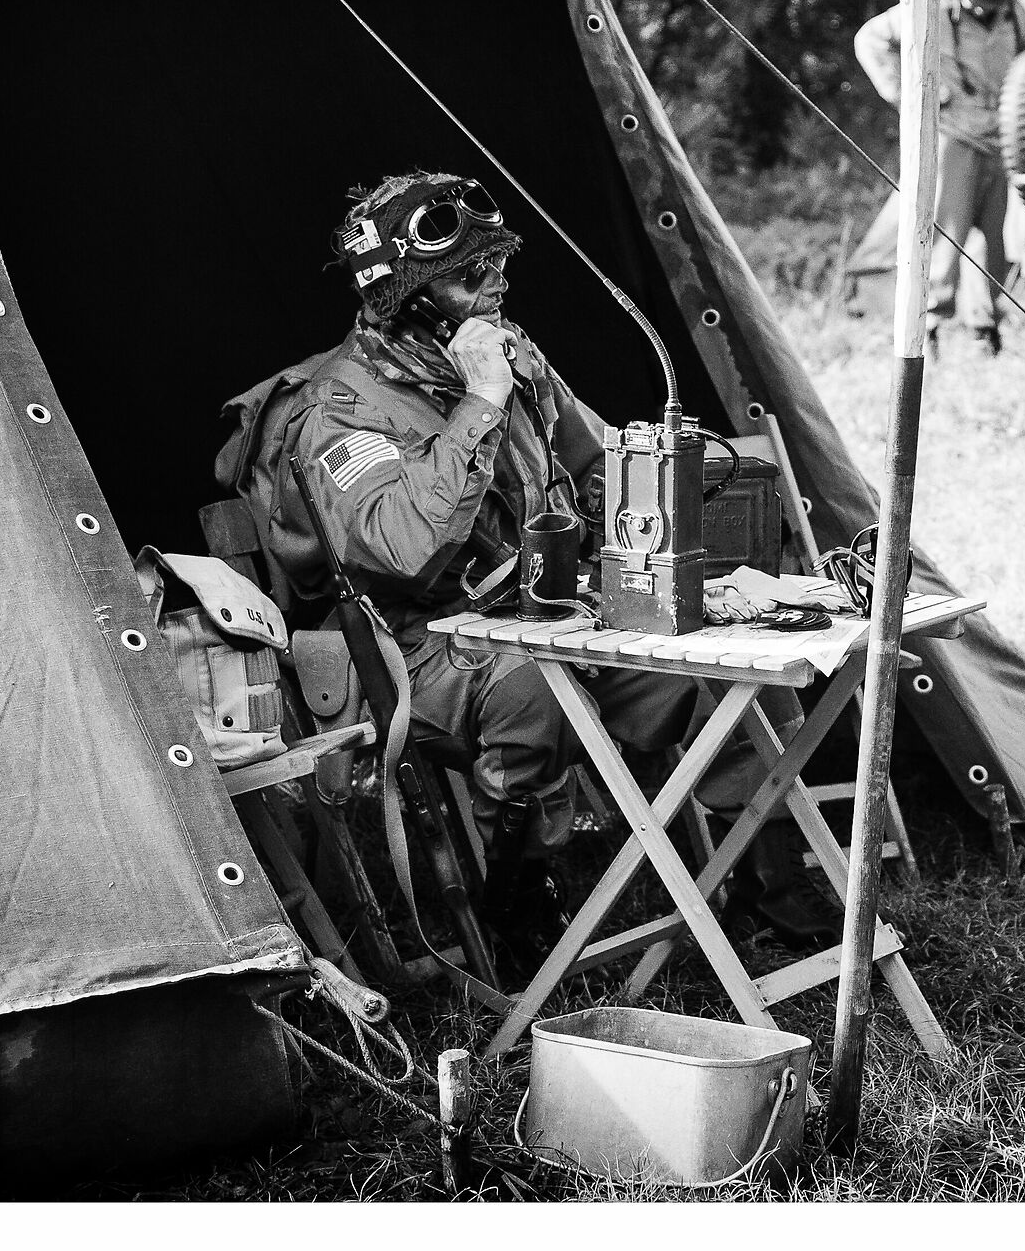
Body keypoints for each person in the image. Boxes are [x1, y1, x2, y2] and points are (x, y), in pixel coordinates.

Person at [233, 171, 838, 971]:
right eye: (468, 275)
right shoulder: (337, 412)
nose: (495, 287)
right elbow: (406, 547)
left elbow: (595, 463)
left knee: (723, 655)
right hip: (427, 648)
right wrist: (481, 400)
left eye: (497, 267)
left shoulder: (512, 354)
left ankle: (766, 874)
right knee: (528, 687)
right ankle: (522, 898)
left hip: (552, 610)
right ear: (404, 298)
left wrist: (659, 488)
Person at [855, 0, 1025, 356]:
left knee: (994, 241)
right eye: (976, 4)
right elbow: (871, 39)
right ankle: (927, 328)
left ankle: (984, 329)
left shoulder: (1014, 13)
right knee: (944, 236)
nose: (984, 12)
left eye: (990, 6)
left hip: (1000, 140)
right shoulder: (933, 5)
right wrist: (910, 96)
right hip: (950, 138)